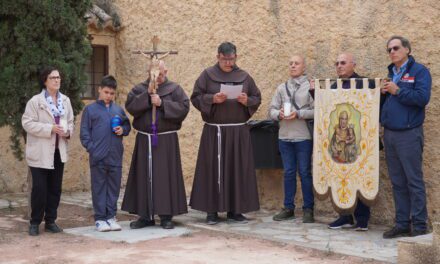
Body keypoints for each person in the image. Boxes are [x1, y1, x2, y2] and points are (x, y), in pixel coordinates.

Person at [190, 42, 261, 225]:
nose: (228, 63)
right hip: (215, 132)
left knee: (237, 170)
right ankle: (211, 211)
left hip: (238, 132)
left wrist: (247, 101)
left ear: (236, 57)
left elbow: (256, 98)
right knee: (212, 170)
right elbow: (196, 97)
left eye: (231, 59)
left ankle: (235, 211)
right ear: (218, 57)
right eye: (225, 60)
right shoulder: (207, 75)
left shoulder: (244, 76)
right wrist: (211, 99)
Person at [122, 60, 189, 229]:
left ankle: (166, 216)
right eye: (154, 74)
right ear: (148, 72)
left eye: (161, 74)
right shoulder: (139, 89)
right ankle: (145, 216)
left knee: (165, 178)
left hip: (166, 140)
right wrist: (147, 95)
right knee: (144, 175)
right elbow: (131, 106)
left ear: (166, 71)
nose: (158, 77)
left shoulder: (175, 89)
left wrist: (162, 103)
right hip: (145, 140)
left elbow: (183, 109)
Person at [381, 36, 431, 238]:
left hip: (409, 133)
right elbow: (388, 103)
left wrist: (397, 90)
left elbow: (421, 98)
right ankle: (402, 223)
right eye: (389, 50)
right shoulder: (390, 73)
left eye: (396, 48)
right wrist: (383, 94)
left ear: (407, 50)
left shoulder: (419, 71)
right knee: (397, 182)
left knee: (413, 180)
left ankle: (419, 225)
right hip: (390, 133)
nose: (392, 52)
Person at [22, 66, 74, 236]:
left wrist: (68, 132)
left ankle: (51, 221)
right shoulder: (35, 101)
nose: (57, 80)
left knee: (55, 188)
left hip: (58, 151)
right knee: (39, 188)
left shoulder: (65, 100)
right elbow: (27, 123)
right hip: (40, 152)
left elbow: (71, 121)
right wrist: (49, 128)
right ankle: (35, 222)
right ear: (45, 81)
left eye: (58, 77)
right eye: (53, 78)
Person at [325, 53, 371, 231]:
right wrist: (315, 93)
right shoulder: (333, 87)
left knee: (359, 179)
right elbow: (326, 110)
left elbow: (374, 106)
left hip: (359, 144)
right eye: (336, 63)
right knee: (340, 179)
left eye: (343, 63)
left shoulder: (365, 84)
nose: (339, 66)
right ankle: (344, 217)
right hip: (339, 148)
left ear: (353, 64)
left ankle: (362, 219)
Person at [80, 75, 131, 232]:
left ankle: (111, 217)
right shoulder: (90, 110)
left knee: (114, 188)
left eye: (112, 93)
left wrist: (123, 129)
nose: (109, 96)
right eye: (106, 92)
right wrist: (93, 149)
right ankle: (100, 219)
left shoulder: (118, 110)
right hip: (98, 157)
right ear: (99, 90)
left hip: (115, 155)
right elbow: (84, 134)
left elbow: (127, 126)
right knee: (99, 187)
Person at [268, 55, 315, 223]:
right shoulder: (281, 88)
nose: (293, 66)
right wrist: (278, 114)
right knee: (288, 173)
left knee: (304, 173)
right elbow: (271, 110)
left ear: (304, 67)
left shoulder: (310, 87)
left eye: (297, 63)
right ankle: (288, 208)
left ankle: (308, 209)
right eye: (291, 63)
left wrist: (300, 113)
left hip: (303, 136)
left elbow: (318, 110)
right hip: (285, 137)